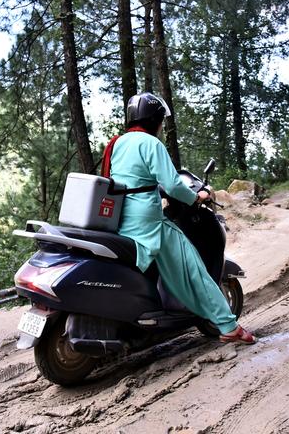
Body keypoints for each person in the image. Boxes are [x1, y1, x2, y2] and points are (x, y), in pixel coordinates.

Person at [104, 92, 256, 344]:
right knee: (192, 267)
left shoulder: (118, 143)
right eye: (161, 120)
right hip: (148, 223)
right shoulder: (151, 144)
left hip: (123, 219)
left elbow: (134, 179)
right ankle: (228, 326)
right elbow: (173, 186)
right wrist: (198, 198)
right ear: (154, 120)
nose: (162, 126)